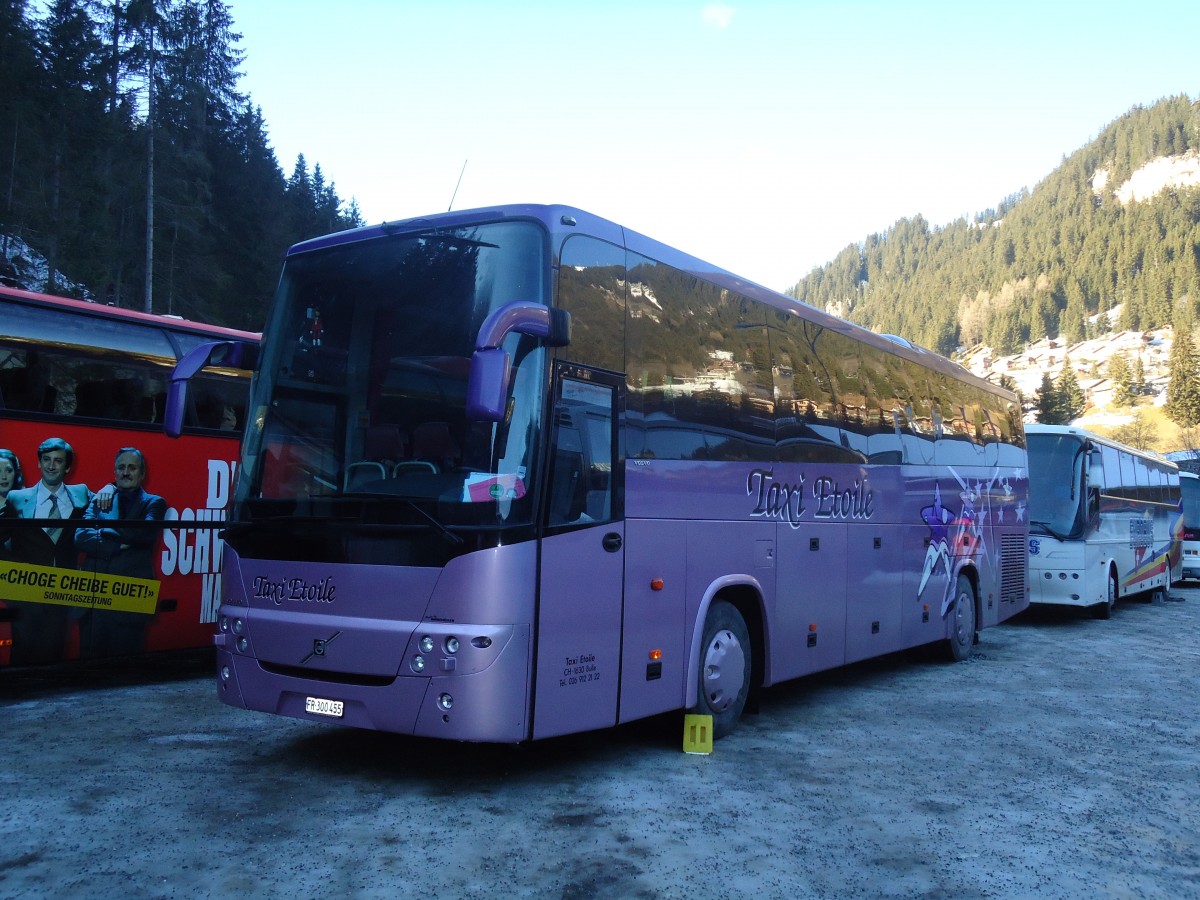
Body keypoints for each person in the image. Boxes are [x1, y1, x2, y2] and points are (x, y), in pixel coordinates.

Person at [2, 437, 94, 665]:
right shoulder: (16, 499)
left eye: (58, 461)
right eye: (46, 460)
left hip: (61, 597)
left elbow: (109, 506)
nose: (51, 466)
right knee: (21, 659)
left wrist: (110, 488)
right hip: (25, 597)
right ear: (39, 464)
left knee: (54, 662)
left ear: (67, 467)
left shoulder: (82, 494)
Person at [75, 447, 166, 657]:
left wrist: (103, 530)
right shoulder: (100, 499)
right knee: (86, 673)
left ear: (142, 474)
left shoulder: (155, 503)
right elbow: (80, 536)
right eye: (121, 467)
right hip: (93, 605)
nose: (126, 472)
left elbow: (144, 535)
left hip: (129, 604)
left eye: (132, 468)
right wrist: (116, 545)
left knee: (125, 670)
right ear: (115, 472)